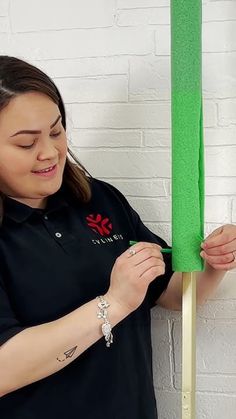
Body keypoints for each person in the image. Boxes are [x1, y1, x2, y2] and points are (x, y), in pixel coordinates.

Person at [0, 56, 235, 419]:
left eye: (56, 131)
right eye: (26, 143)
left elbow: (171, 292)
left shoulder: (98, 198)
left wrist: (216, 263)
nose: (49, 152)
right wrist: (114, 303)